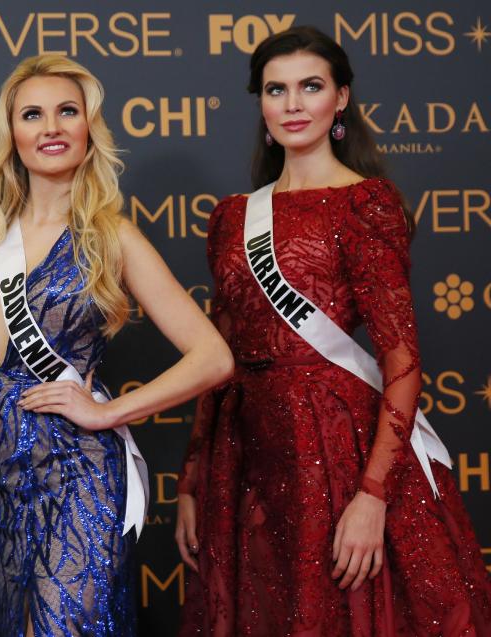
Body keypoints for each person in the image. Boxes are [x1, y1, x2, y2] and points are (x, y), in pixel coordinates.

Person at [176, 26, 491, 635]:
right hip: (244, 451)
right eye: (277, 89)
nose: (293, 104)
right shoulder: (234, 216)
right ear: (261, 102)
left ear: (340, 98)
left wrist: (373, 495)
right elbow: (216, 354)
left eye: (310, 87)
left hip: (334, 447)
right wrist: (192, 477)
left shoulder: (364, 203)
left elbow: (401, 362)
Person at [0, 54, 233, 637]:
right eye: (33, 115)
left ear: (89, 127)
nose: (50, 127)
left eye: (67, 112)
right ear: (11, 133)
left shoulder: (112, 237)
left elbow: (213, 356)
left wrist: (108, 411)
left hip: (78, 472)